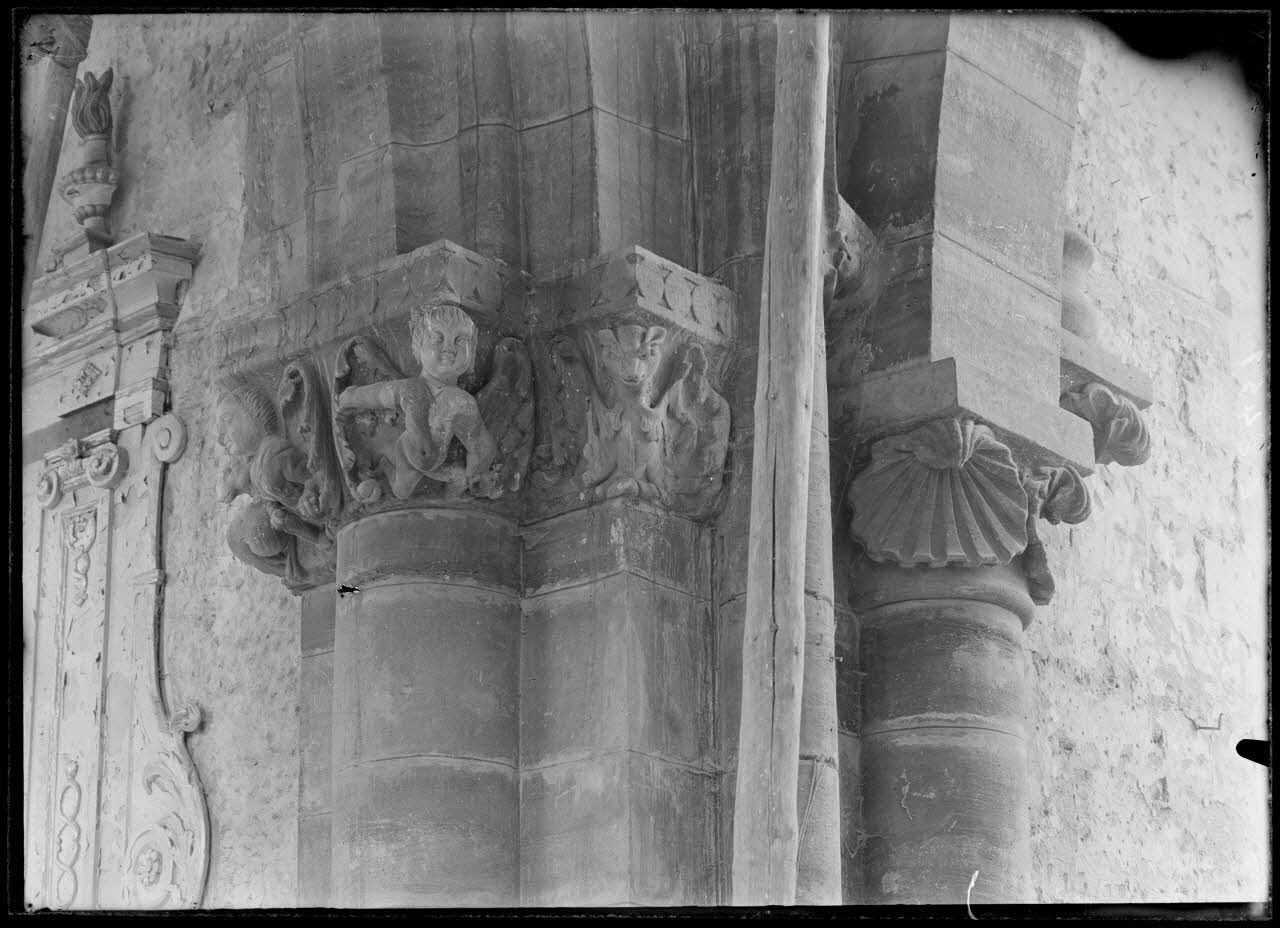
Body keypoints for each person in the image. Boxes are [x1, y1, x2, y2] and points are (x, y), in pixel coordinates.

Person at [336, 304, 497, 499]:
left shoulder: (462, 402)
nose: (449, 348)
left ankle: (450, 503)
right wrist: (351, 397)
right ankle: (386, 468)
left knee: (459, 483)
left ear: (472, 354)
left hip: (438, 463)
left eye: (460, 340)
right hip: (407, 452)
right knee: (401, 491)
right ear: (418, 347)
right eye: (437, 338)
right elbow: (377, 394)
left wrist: (476, 474)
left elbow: (480, 443)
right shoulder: (408, 389)